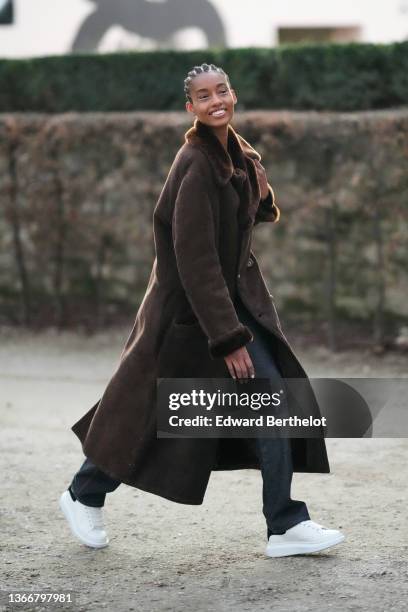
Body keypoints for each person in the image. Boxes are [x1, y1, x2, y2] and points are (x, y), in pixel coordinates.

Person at [59, 62, 345, 557]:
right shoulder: (194, 162)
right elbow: (195, 259)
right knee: (145, 412)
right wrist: (229, 337)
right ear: (189, 107)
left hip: (227, 307)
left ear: (233, 95)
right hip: (186, 318)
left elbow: (250, 212)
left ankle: (284, 522)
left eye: (223, 91)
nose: (217, 101)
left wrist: (253, 179)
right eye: (204, 96)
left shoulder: (233, 152)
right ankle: (83, 493)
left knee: (272, 402)